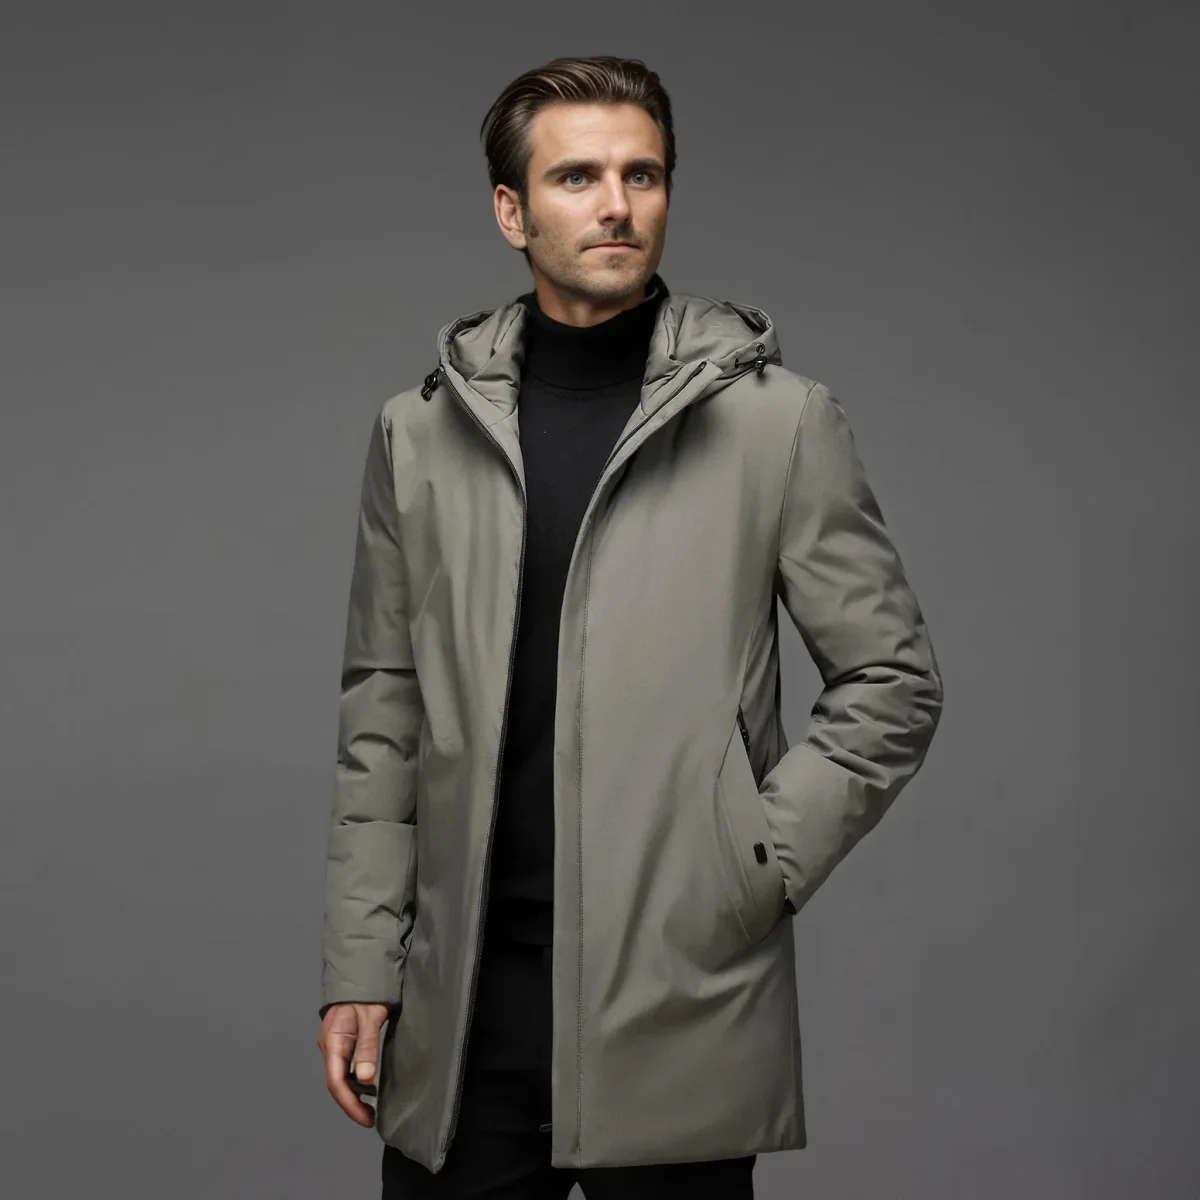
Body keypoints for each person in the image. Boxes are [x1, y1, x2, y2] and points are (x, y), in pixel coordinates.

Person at [316, 54, 944, 1199]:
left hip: (679, 995)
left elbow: (892, 682)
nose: (616, 205)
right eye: (577, 177)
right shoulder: (420, 435)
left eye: (641, 174)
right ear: (511, 211)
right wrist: (362, 962)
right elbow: (383, 713)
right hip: (465, 1005)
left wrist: (749, 867)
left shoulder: (777, 423)